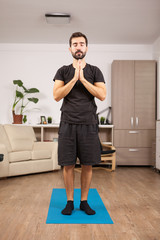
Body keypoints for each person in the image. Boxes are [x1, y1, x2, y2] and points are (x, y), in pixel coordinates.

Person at [53, 32, 106, 215]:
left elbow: (102, 94)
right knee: (67, 164)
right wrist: (74, 79)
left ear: (86, 48)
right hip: (67, 122)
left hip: (89, 123)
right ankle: (69, 201)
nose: (78, 47)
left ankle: (84, 201)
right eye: (75, 44)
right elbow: (56, 95)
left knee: (87, 164)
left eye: (81, 44)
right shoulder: (63, 71)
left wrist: (83, 79)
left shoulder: (95, 71)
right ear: (70, 48)